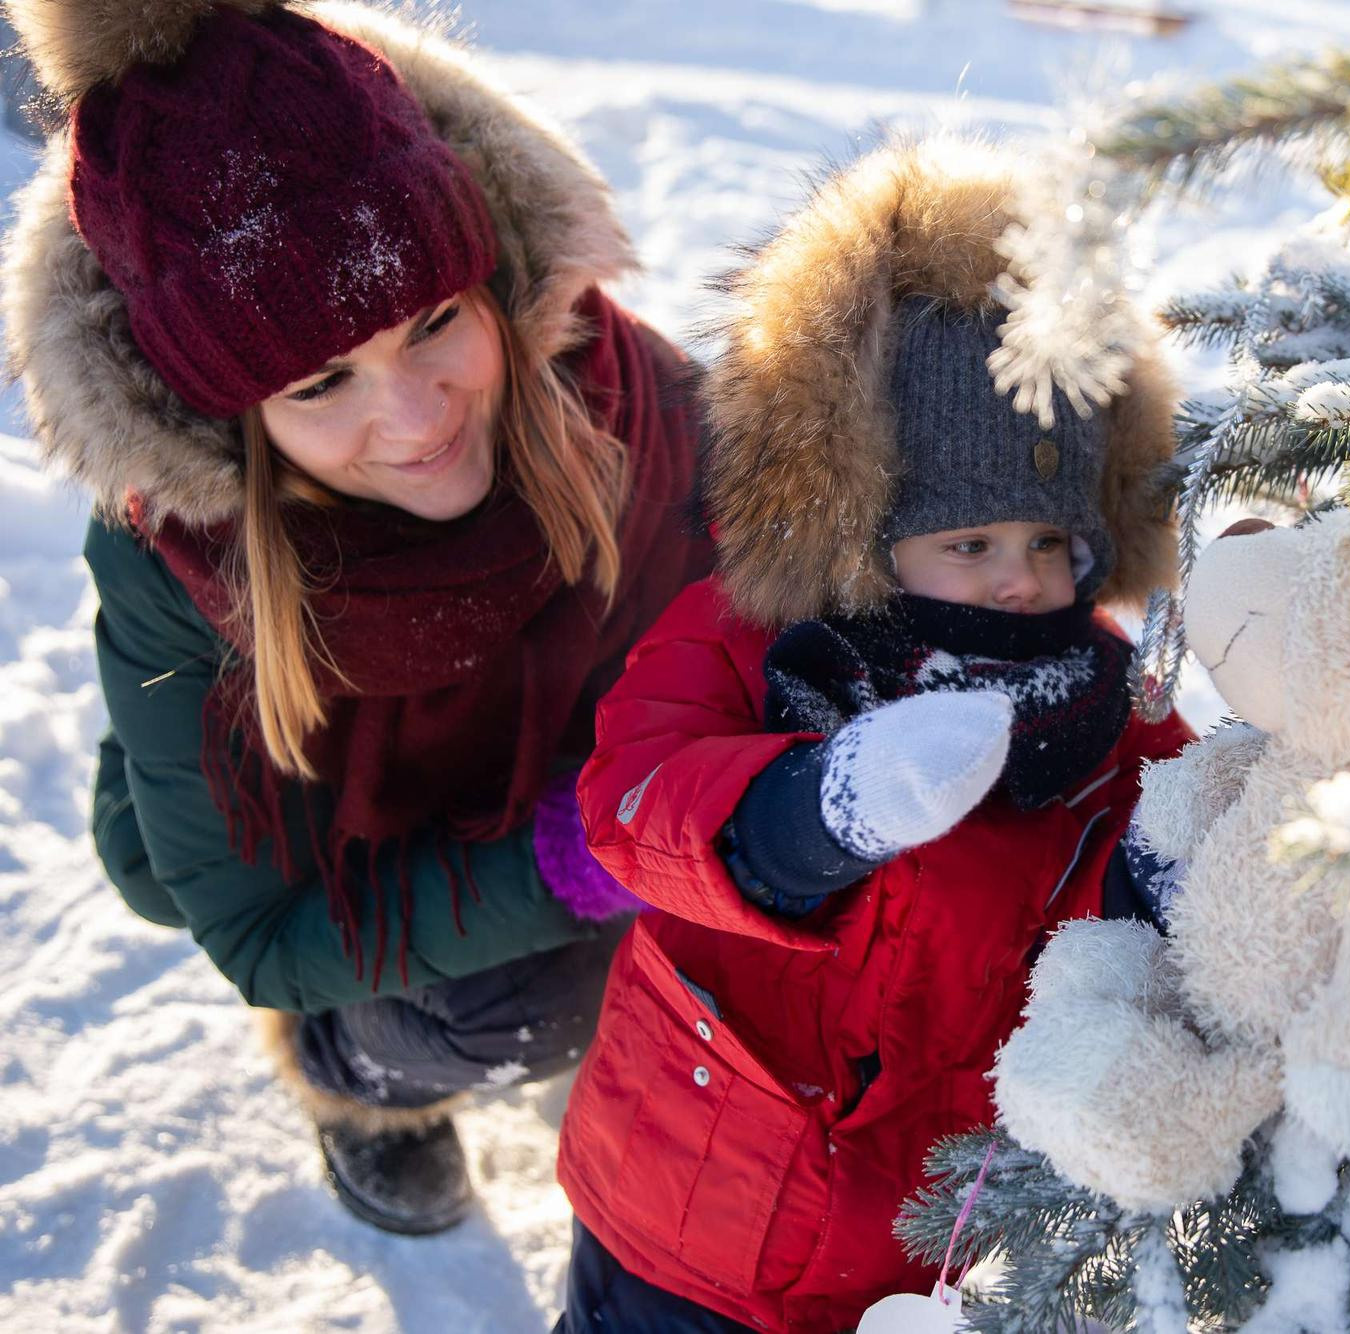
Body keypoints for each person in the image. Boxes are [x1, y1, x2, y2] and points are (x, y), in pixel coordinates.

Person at [0, 0, 711, 1235]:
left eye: (435, 320)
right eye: (322, 383)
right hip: (337, 832)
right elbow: (259, 928)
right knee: (514, 992)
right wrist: (560, 864)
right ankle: (356, 1077)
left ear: (486, 275)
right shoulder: (179, 561)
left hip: (556, 756)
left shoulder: (619, 386)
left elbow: (786, 578)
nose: (417, 413)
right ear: (233, 420)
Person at [555, 139, 1192, 1333]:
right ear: (867, 525)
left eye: (1050, 544)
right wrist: (809, 815)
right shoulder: (756, 637)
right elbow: (631, 798)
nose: (1018, 579)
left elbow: (1158, 859)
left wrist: (1166, 881)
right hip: (691, 1196)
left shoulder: (1111, 706)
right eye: (970, 542)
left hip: (927, 1248)